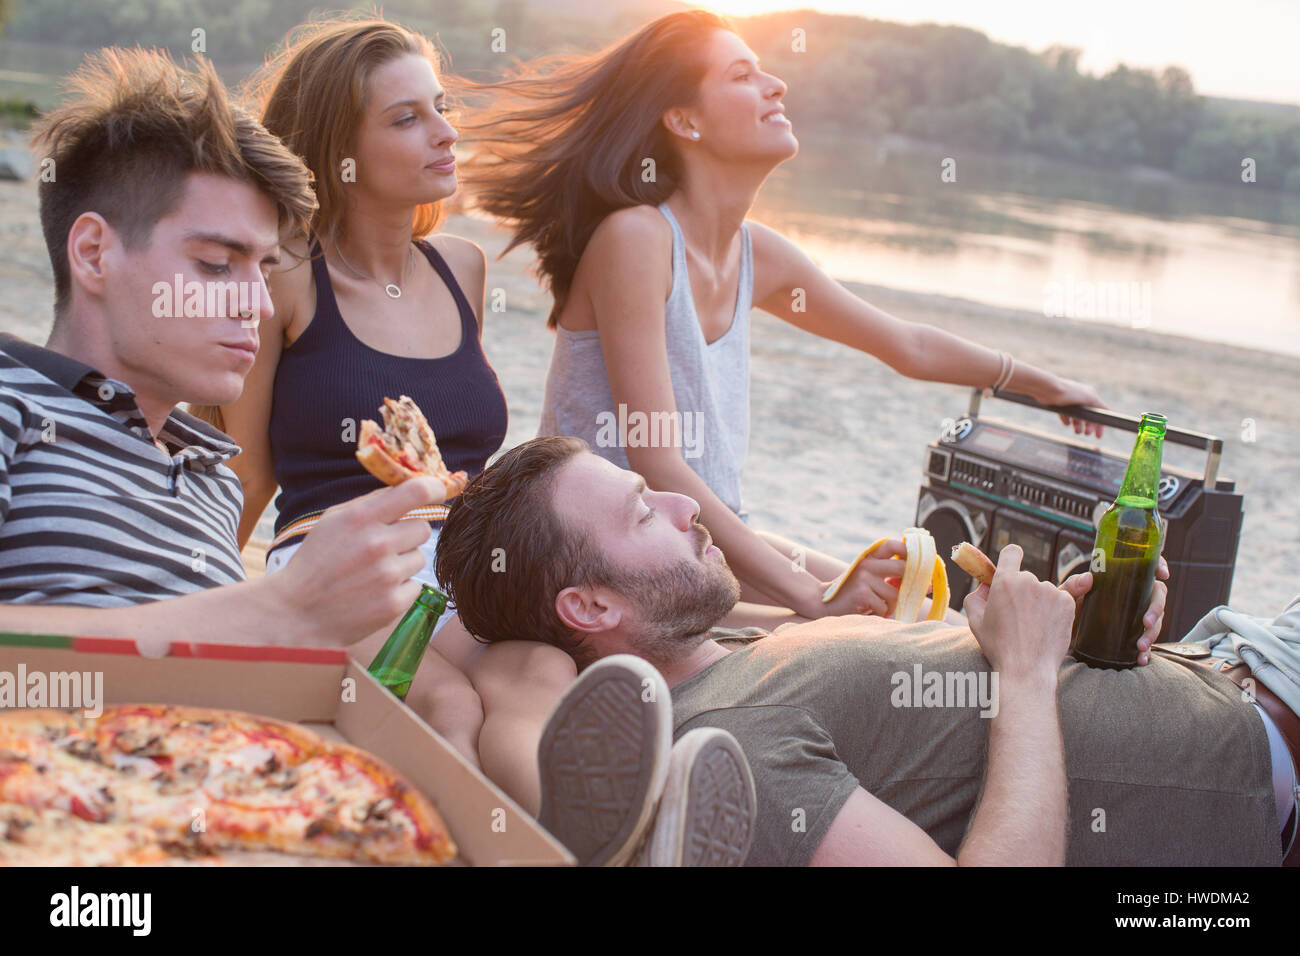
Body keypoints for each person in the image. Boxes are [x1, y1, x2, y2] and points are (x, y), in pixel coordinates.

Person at [462, 10, 1110, 625]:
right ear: (684, 120)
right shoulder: (635, 240)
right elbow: (657, 460)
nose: (777, 84)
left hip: (696, 547)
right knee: (870, 635)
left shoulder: (758, 254)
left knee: (916, 614)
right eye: (742, 76)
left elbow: (906, 345)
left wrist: (1042, 385)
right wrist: (811, 598)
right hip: (604, 557)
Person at [433, 436, 1295, 866]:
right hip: (1271, 751)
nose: (685, 504)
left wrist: (1085, 635)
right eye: (641, 512)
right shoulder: (728, 752)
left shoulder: (727, 643)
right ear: (591, 605)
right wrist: (1029, 673)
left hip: (1226, 659)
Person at [189, 16, 576, 779]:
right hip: (344, 558)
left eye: (442, 108)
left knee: (541, 675)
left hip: (465, 565)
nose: (444, 132)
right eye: (407, 118)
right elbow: (250, 470)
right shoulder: (286, 277)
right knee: (451, 705)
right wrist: (199, 606)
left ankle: (579, 839)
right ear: (342, 155)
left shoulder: (461, 267)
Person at [0, 48, 447, 651]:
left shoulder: (215, 477)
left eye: (262, 269)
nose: (259, 307)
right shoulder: (12, 407)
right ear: (93, 254)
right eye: (215, 266)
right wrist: (275, 610)